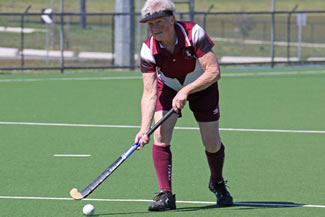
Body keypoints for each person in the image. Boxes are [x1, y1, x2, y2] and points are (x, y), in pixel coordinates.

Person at [134, 0, 233, 211]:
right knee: (160, 134)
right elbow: (149, 92)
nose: (155, 28)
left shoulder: (194, 33)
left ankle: (217, 182)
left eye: (159, 21)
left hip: (202, 86)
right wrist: (143, 130)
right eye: (150, 24)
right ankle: (166, 194)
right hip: (168, 87)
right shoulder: (148, 49)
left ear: (172, 19)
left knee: (212, 142)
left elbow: (214, 72)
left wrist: (186, 91)